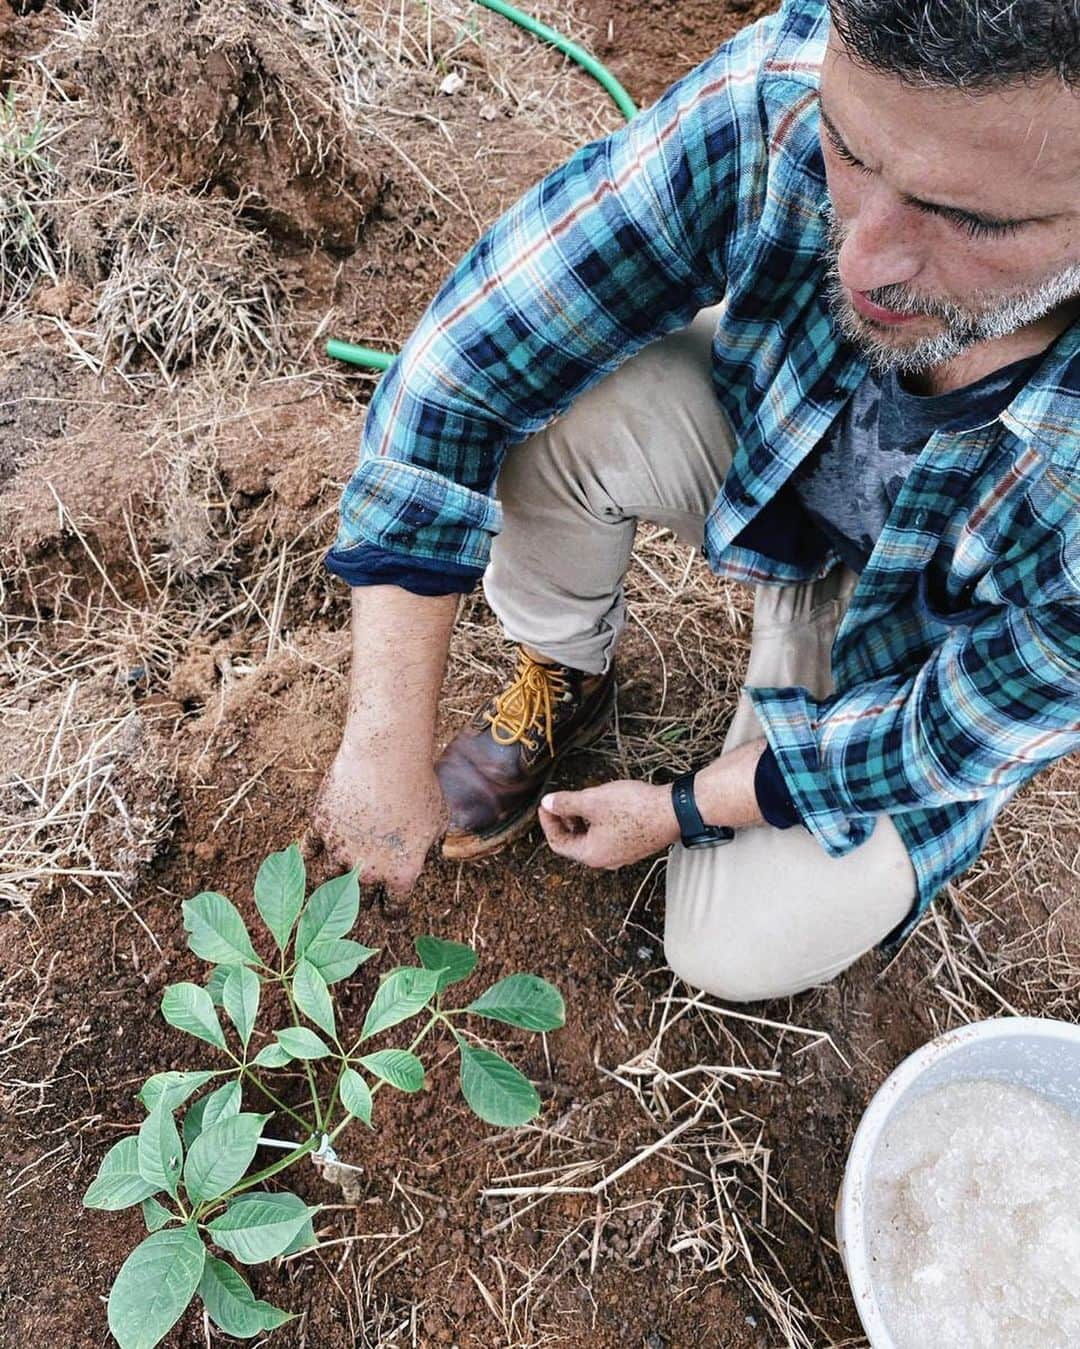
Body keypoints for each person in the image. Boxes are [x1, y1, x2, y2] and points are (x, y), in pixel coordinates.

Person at [313, 0, 1080, 1001]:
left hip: (917, 655)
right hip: (779, 468)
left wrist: (683, 805)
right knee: (555, 404)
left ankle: (797, 679)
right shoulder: (780, 91)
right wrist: (382, 745)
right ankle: (568, 670)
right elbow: (464, 366)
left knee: (727, 948)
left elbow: (935, 734)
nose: (863, 262)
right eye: (850, 153)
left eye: (971, 217)